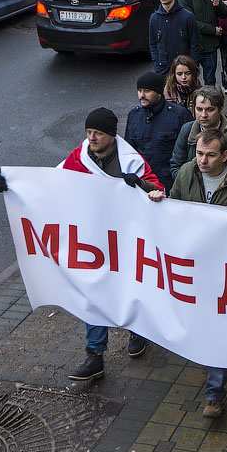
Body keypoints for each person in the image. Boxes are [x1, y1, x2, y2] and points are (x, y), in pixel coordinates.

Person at [151, 129, 227, 419]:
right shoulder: (187, 173)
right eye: (199, 153)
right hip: (196, 264)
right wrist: (158, 202)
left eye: (210, 155)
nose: (202, 160)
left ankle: (214, 393)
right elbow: (175, 208)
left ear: (224, 156)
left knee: (220, 325)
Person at [60, 108, 162, 381]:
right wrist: (13, 186)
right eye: (88, 132)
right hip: (94, 239)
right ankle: (95, 355)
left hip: (127, 239)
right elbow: (52, 184)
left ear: (111, 135)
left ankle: (139, 332)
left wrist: (138, 183)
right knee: (94, 294)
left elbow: (156, 191)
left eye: (98, 133)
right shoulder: (78, 158)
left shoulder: (131, 161)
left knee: (132, 287)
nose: (91, 138)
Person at [125, 72, 193, 190]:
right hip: (142, 182)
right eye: (139, 90)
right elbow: (129, 152)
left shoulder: (179, 115)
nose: (142, 95)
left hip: (171, 183)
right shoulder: (133, 115)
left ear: (159, 93)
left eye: (147, 91)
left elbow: (189, 153)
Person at [169, 86, 227, 175]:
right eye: (199, 109)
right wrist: (192, 184)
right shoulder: (187, 130)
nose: (203, 115)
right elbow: (176, 166)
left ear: (220, 109)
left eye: (210, 110)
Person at [180, 0, 227, 86]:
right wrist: (213, 30)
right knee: (191, 80)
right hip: (193, 47)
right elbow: (191, 23)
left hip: (210, 46)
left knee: (210, 79)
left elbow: (224, 14)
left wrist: (219, 5)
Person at [148, 0, 201, 78]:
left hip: (184, 71)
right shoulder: (154, 18)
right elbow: (153, 44)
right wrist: (157, 67)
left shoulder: (187, 17)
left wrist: (192, 68)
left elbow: (195, 45)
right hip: (163, 71)